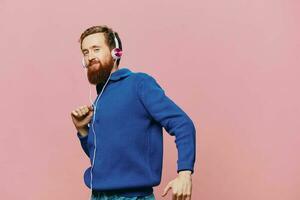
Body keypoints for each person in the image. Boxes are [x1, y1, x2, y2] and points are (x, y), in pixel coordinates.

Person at [71, 25, 196, 200]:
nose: (90, 57)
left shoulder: (139, 84)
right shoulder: (100, 98)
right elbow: (103, 157)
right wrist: (83, 131)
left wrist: (184, 174)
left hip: (132, 196)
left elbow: (183, 124)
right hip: (98, 196)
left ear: (116, 52)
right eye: (85, 52)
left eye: (96, 49)